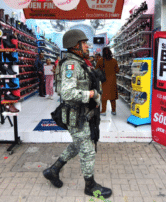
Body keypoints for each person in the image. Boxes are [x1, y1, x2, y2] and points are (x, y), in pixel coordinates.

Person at [42, 29, 112, 199]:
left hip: (83, 115)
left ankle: (53, 170)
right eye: (85, 43)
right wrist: (91, 94)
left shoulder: (81, 63)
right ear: (76, 46)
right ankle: (90, 186)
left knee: (77, 145)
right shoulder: (70, 65)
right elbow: (67, 93)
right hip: (76, 117)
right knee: (87, 152)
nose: (88, 46)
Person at [96, 47, 119, 116]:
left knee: (104, 97)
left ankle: (103, 111)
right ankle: (114, 110)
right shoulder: (114, 61)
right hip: (112, 81)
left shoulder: (100, 60)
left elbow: (96, 69)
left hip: (104, 81)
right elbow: (117, 70)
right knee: (112, 97)